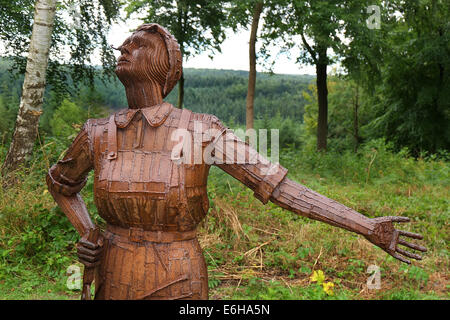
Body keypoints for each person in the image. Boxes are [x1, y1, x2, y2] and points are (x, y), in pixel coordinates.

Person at [46, 24, 427, 300]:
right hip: (112, 276)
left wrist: (365, 226)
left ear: (165, 66)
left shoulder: (200, 132)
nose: (124, 48)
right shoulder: (97, 133)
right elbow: (61, 184)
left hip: (178, 278)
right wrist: (87, 230)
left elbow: (277, 186)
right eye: (124, 44)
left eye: (138, 44)